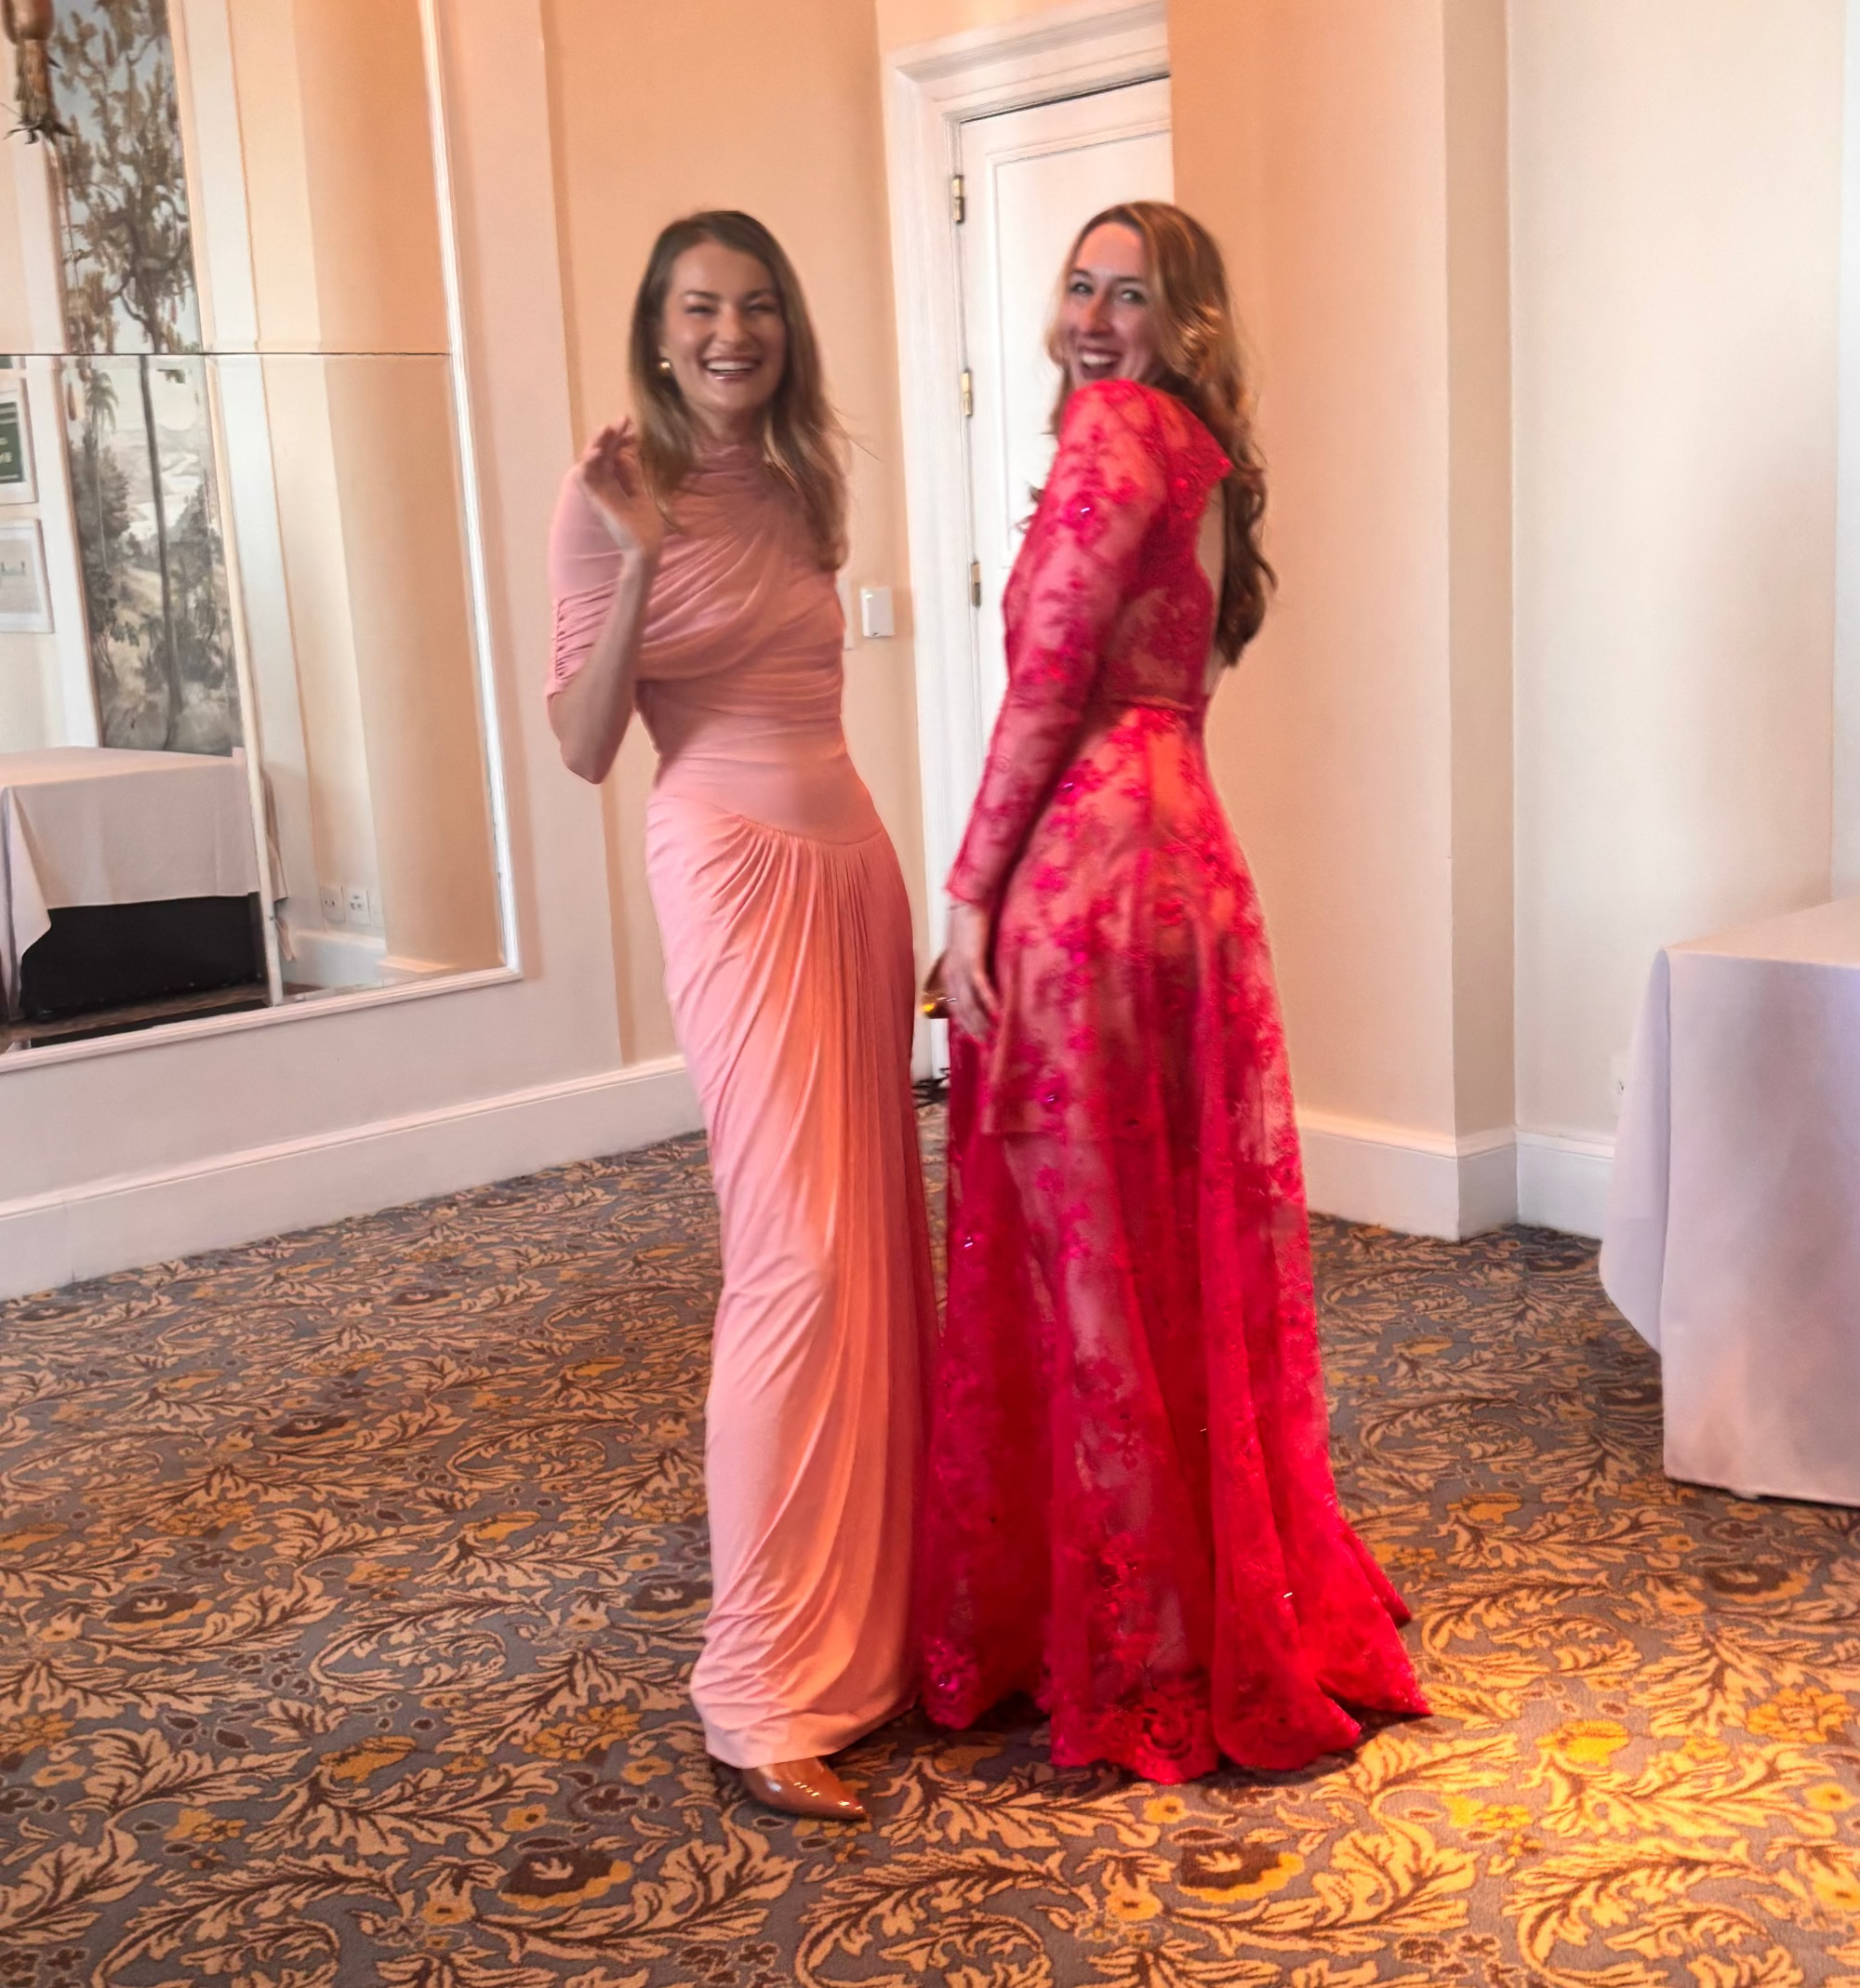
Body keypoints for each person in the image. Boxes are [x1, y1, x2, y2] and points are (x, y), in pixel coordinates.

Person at [923, 201, 1429, 1782]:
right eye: (1078, 287)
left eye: (1129, 295)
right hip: (1188, 866)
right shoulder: (1206, 460)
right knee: (1169, 1250)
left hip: (1085, 879)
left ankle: (1139, 1638)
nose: (1093, 318)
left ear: (1183, 319)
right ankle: (1204, 1597)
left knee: (1088, 1267)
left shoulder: (1114, 433)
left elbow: (1047, 681)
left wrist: (967, 892)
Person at [548, 211, 933, 1822]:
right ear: (658, 325)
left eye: (759, 304)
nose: (732, 332)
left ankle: (883, 1629)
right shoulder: (607, 493)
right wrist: (639, 554)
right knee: (797, 1257)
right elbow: (584, 740)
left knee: (878, 1245)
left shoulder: (801, 473)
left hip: (852, 862)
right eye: (702, 306)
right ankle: (761, 1682)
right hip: (725, 862)